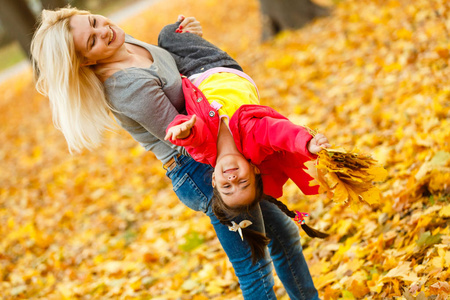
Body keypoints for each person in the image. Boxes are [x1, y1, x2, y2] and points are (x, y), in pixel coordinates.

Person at [31, 7, 320, 299]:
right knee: (254, 267)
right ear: (85, 61)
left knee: (283, 237)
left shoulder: (119, 42)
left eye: (94, 22)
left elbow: (181, 78)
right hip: (198, 165)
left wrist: (187, 38)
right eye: (92, 41)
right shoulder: (126, 87)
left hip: (213, 146)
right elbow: (188, 135)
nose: (103, 31)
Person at [160, 23, 330, 238]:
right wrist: (307, 144)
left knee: (160, 55)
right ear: (255, 170)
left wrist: (183, 131)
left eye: (227, 188)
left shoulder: (203, 152)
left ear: (214, 181)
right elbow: (278, 132)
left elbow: (197, 133)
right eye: (243, 182)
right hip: (216, 67)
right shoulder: (253, 140)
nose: (232, 180)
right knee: (168, 35)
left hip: (190, 78)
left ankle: (186, 34)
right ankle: (187, 28)